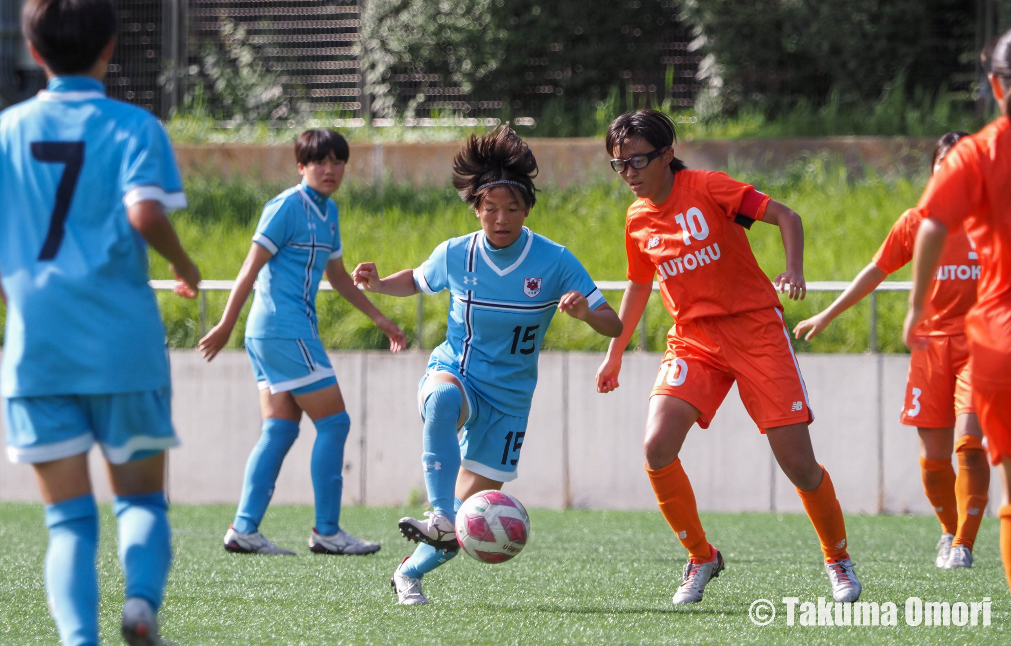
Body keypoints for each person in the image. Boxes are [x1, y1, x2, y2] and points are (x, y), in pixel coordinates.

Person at [0, 0, 200, 646]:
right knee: (139, 500)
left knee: (67, 522)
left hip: (38, 352)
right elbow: (144, 211)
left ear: (34, 51)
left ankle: (79, 640)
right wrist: (183, 264)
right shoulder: (136, 127)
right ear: (110, 48)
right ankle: (140, 604)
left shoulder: (6, 132)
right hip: (123, 348)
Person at [595, 109, 860, 606]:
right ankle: (701, 556)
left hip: (755, 331)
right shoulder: (636, 220)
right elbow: (639, 286)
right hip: (693, 339)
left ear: (667, 154)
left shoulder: (708, 186)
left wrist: (794, 269)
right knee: (656, 446)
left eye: (637, 161)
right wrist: (615, 353)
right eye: (619, 164)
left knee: (799, 465)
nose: (628, 173)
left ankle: (837, 558)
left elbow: (786, 216)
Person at [352, 124, 622, 605]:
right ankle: (437, 512)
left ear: (527, 210)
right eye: (491, 208)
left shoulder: (555, 261)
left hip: (509, 402)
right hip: (459, 372)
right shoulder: (457, 253)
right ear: (476, 209)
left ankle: (409, 572)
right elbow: (416, 280)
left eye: (512, 208)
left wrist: (585, 313)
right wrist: (378, 284)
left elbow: (614, 324)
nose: (501, 218)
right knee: (441, 398)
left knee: (470, 520)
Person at [198, 128, 406, 556]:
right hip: (284, 330)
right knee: (335, 423)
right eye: (320, 162)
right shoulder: (286, 207)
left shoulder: (328, 212)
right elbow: (249, 268)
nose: (330, 170)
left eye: (338, 162)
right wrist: (224, 324)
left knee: (280, 428)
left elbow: (338, 278)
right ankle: (327, 531)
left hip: (278, 333)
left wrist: (381, 319)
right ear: (301, 166)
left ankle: (244, 529)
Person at [795, 132, 988, 570]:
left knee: (970, 444)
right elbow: (876, 270)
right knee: (934, 461)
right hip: (930, 349)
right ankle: (949, 530)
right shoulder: (917, 222)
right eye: (944, 163)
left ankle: (964, 543)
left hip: (981, 347)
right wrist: (827, 314)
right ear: (934, 169)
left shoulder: (992, 222)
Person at [902, 23, 1011, 636]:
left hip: (1002, 341)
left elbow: (930, 225)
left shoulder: (979, 152)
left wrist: (914, 306)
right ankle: (959, 539)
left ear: (994, 83)